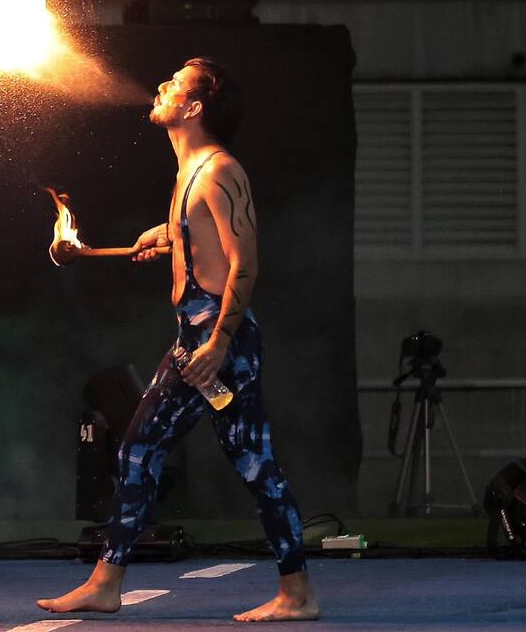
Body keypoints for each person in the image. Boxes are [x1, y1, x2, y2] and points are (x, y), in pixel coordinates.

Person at [37, 58, 319, 623]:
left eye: (177, 83)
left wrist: (219, 342)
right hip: (196, 341)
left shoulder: (220, 170)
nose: (163, 85)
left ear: (193, 108)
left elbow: (245, 266)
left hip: (219, 345)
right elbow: (209, 238)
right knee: (150, 451)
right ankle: (107, 583)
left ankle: (297, 595)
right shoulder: (188, 174)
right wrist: (170, 235)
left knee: (229, 462)